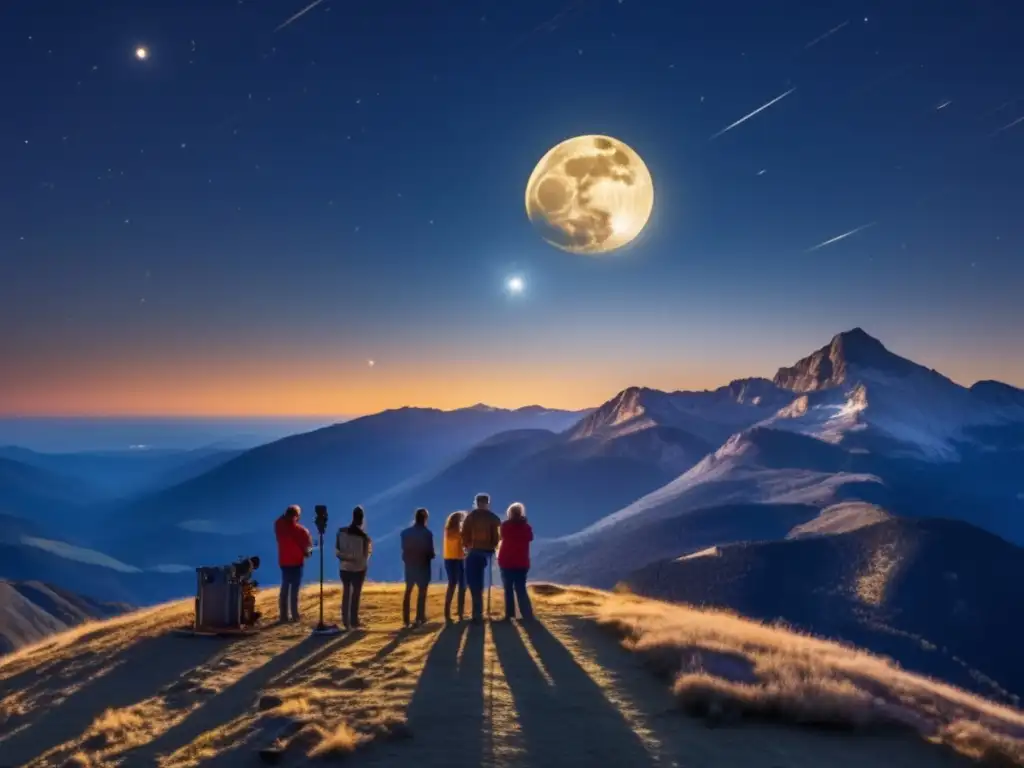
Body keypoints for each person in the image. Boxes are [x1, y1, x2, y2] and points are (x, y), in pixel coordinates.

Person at [461, 493, 501, 623]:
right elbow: (497, 537)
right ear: (487, 503)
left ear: (477, 503)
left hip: (474, 551)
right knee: (483, 582)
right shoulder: (493, 518)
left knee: (474, 583)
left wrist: (467, 546)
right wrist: (493, 546)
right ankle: (480, 612)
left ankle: (477, 613)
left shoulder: (471, 517)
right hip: (488, 552)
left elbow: (464, 534)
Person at [274, 504, 313, 623]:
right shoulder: (302, 531)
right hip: (296, 563)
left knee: (285, 588)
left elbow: (279, 520)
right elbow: (308, 550)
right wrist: (307, 552)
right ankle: (295, 616)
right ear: (297, 516)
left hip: (284, 562)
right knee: (294, 591)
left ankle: (283, 616)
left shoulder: (279, 525)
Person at [336, 505, 372, 630]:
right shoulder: (364, 537)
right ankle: (354, 621)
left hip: (344, 568)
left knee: (346, 593)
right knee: (355, 595)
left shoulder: (341, 532)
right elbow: (366, 555)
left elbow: (337, 550)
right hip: (358, 569)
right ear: (362, 520)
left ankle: (345, 621)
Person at [498, 502, 534, 620]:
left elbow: (501, 536)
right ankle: (527, 614)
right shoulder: (527, 527)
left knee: (508, 589)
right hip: (522, 562)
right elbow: (530, 538)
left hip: (506, 562)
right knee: (521, 588)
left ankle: (509, 614)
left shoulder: (505, 526)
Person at [400, 508, 435, 626]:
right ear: (425, 519)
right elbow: (430, 552)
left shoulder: (405, 533)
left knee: (408, 591)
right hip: (423, 566)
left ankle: (406, 618)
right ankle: (420, 617)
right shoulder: (427, 534)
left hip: (409, 565)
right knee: (422, 592)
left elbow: (404, 549)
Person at [443, 511, 467, 622]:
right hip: (458, 559)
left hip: (448, 559)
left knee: (451, 585)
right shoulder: (459, 532)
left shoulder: (447, 531)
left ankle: (447, 612)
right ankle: (460, 612)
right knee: (462, 585)